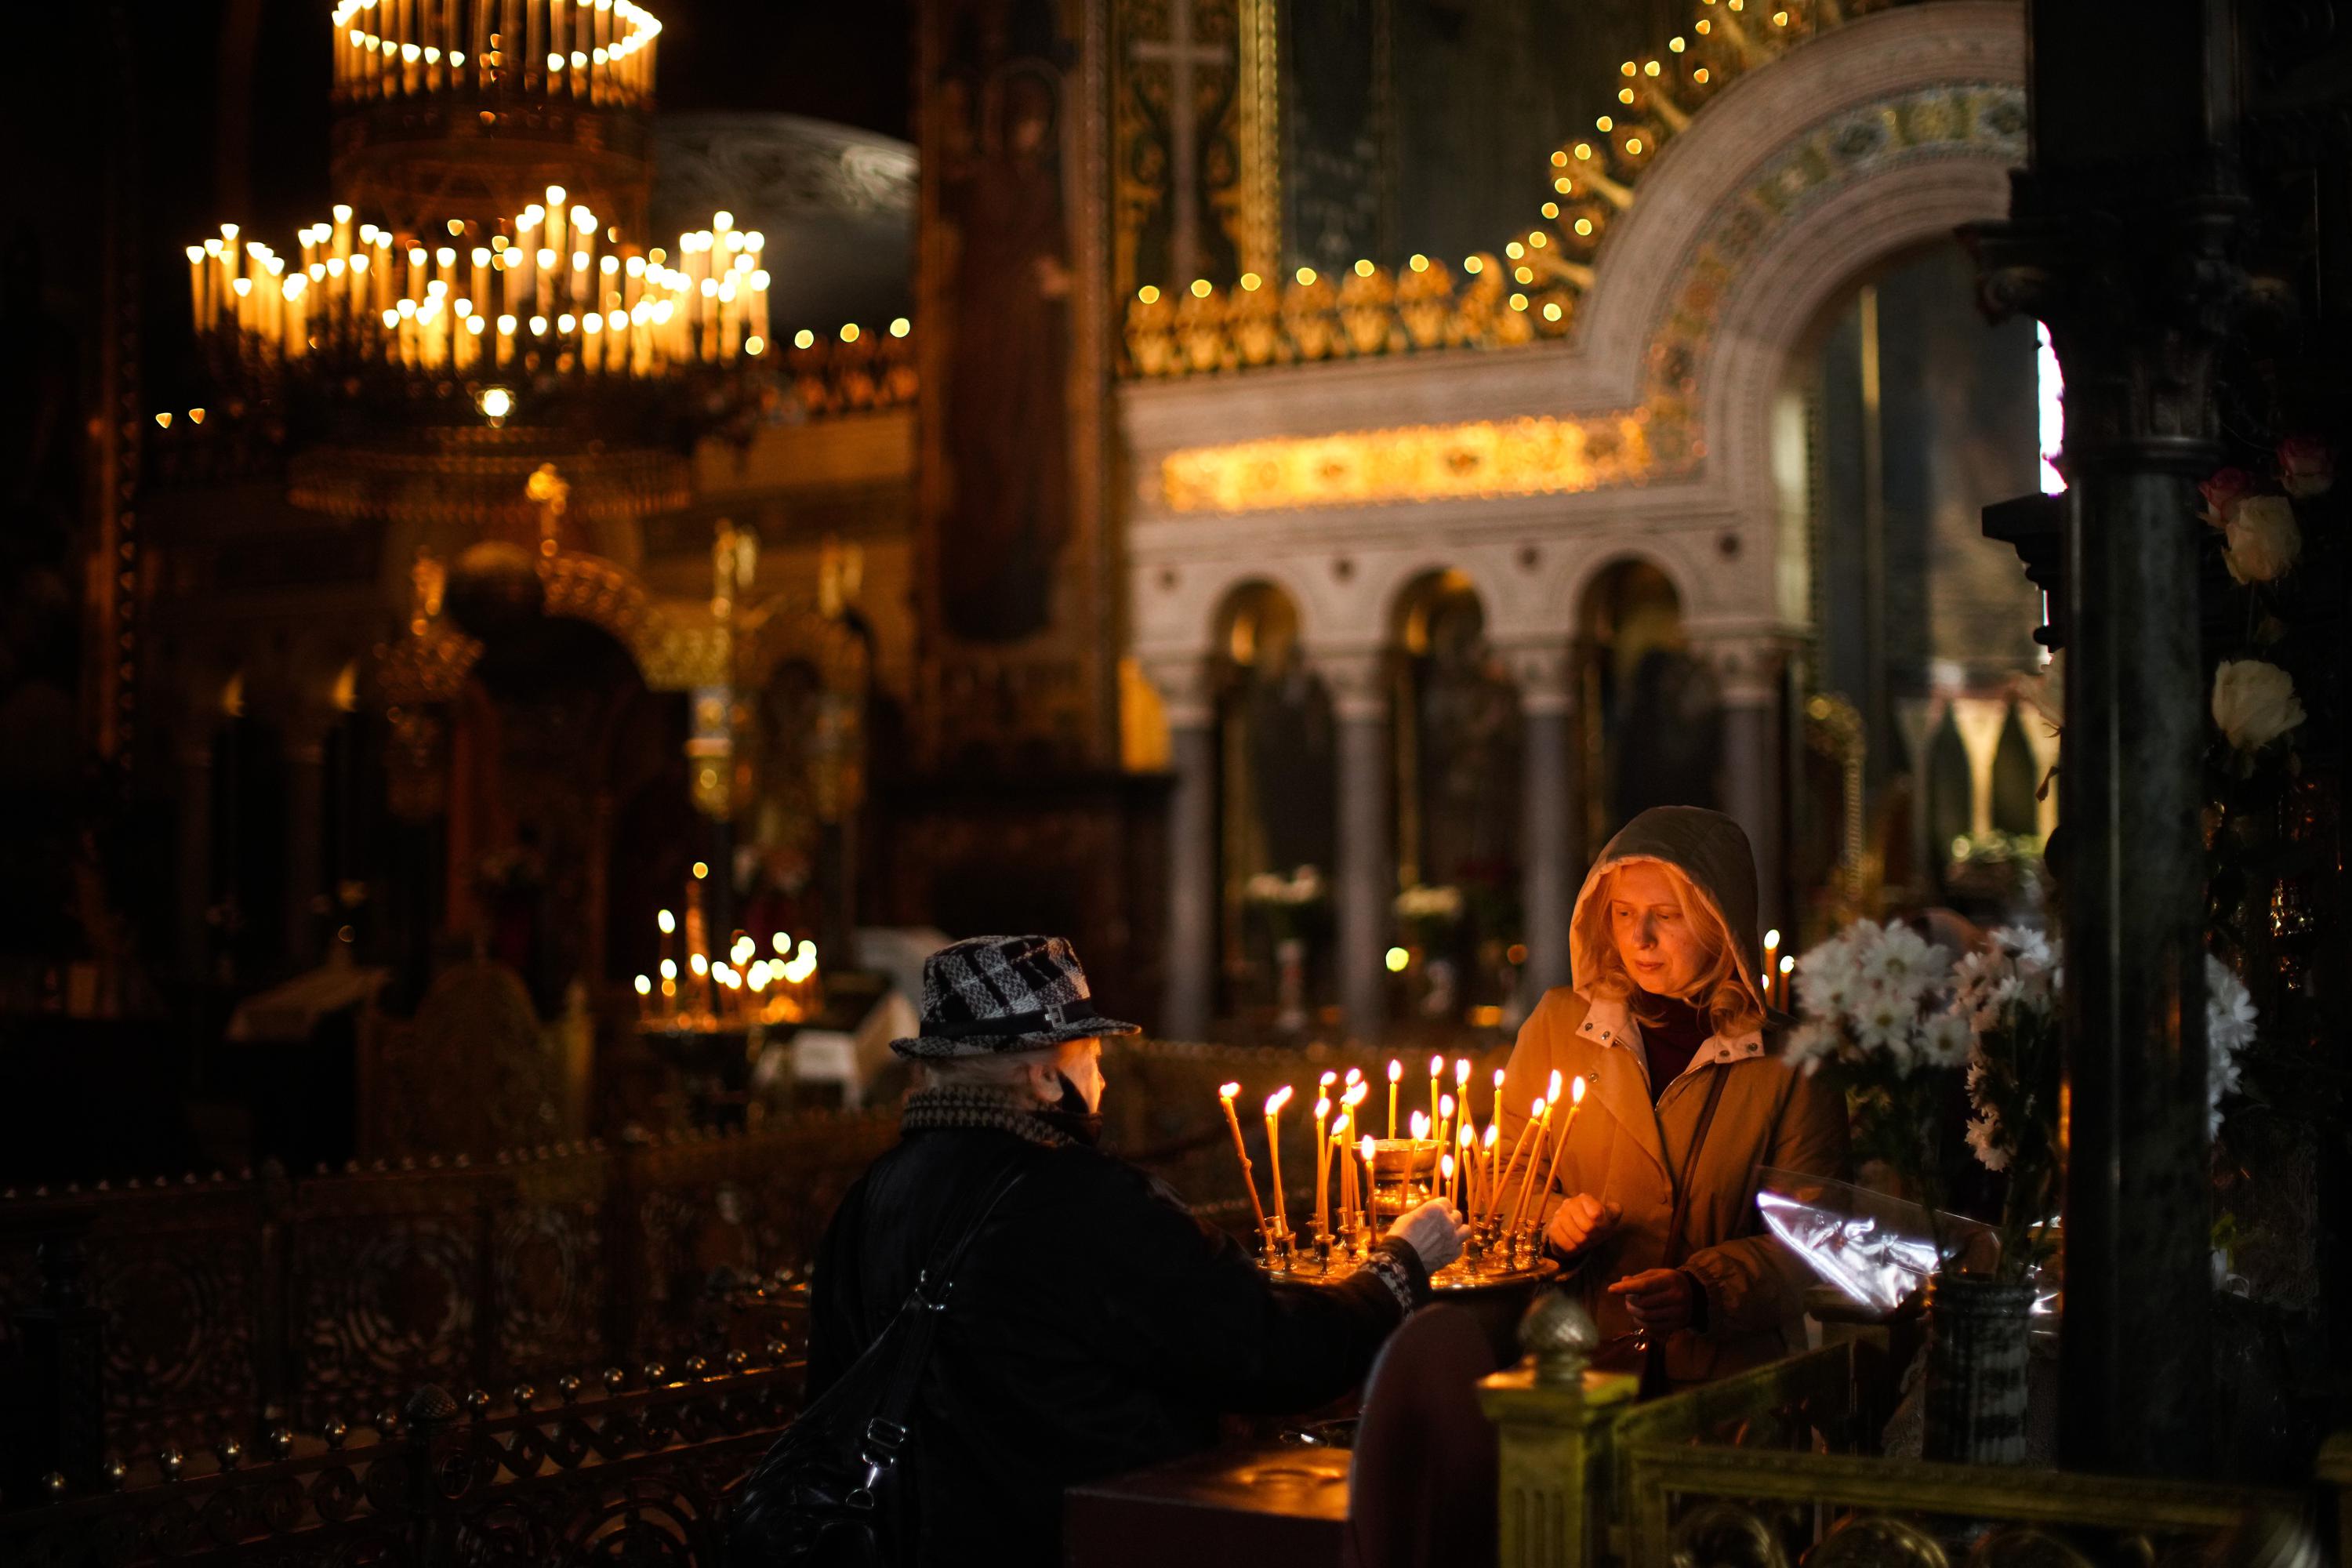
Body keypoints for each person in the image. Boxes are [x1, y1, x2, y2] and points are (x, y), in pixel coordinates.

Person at [806, 934, 1468, 1566]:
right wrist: (1397, 1267)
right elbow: (1271, 1352)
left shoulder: (872, 1196)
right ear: (1043, 1078)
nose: (1103, 1082)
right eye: (1091, 1059)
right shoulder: (1082, 1203)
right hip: (1078, 1543)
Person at [1499, 806, 1847, 1385]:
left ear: (1720, 921)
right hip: (1576, 1370)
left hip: (1726, 1390)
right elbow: (1500, 1180)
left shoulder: (1790, 1063)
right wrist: (1554, 1220)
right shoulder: (1561, 1028)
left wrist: (1703, 1289)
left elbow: (1817, 1235)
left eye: (1667, 915)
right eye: (1624, 913)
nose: (1640, 938)